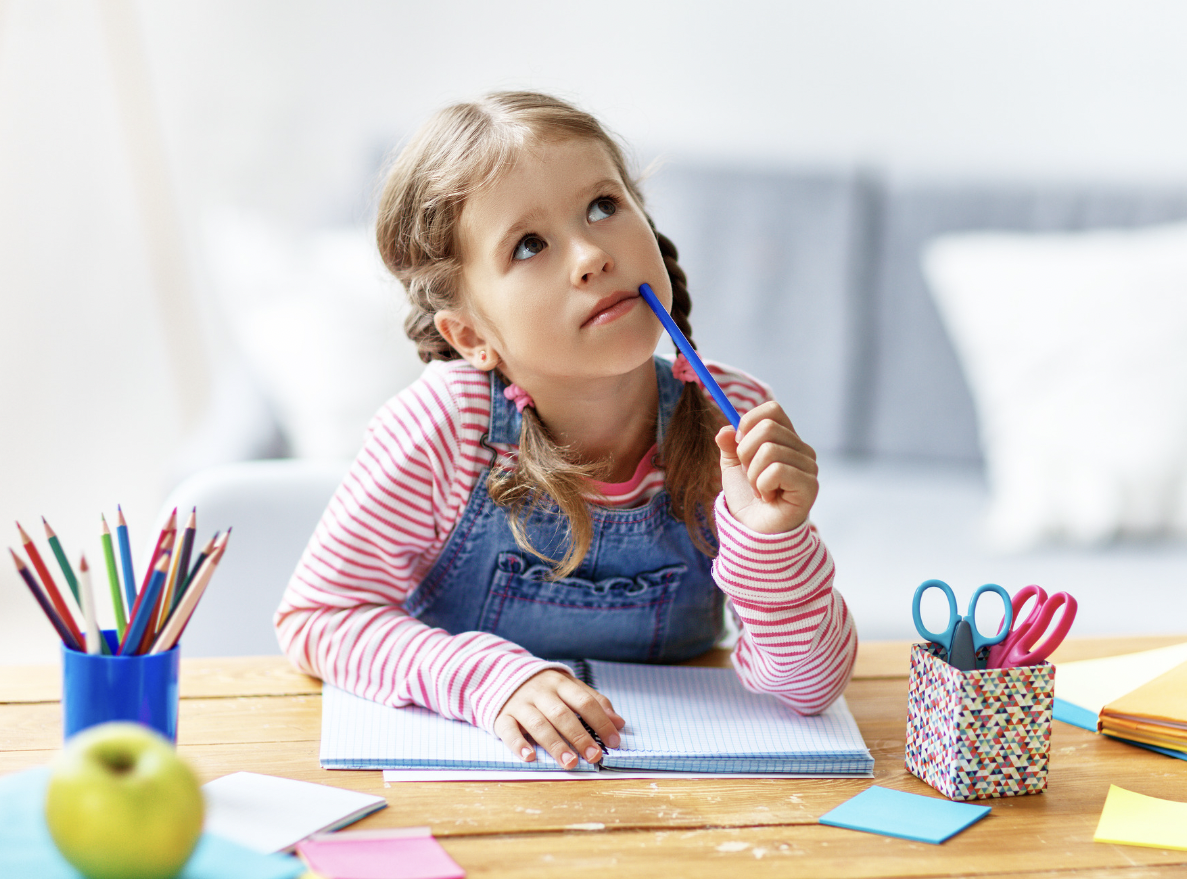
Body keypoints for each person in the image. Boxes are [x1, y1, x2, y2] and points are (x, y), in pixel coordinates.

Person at [274, 91, 856, 771]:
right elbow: (316, 618)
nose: (590, 255)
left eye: (604, 207)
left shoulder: (730, 417)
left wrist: (771, 540)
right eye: (528, 245)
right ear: (470, 334)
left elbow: (812, 686)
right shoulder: (443, 429)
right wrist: (489, 677)